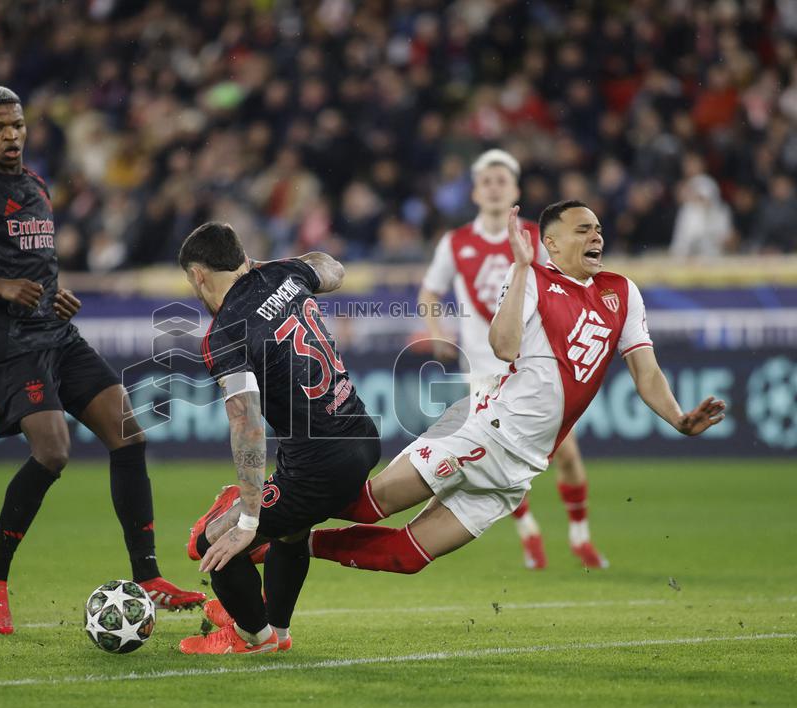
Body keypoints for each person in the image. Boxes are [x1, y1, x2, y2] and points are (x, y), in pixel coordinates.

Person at [309, 201, 725, 575]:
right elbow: (503, 346)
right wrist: (524, 268)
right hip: (483, 431)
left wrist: (678, 418)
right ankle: (265, 507)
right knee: (364, 507)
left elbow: (646, 373)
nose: (596, 235)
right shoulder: (532, 278)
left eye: (597, 228)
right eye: (582, 230)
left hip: (519, 470)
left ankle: (281, 545)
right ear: (552, 244)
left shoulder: (621, 292)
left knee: (406, 557)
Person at [0, 86, 204, 635]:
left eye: (18, 126)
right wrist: (1, 288)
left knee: (129, 434)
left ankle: (147, 577)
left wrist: (55, 292)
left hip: (56, 332)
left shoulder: (36, 186)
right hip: (11, 345)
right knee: (53, 453)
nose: (11, 136)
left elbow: (32, 262)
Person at [175, 222, 380, 654]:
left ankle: (254, 636)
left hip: (318, 467)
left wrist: (247, 518)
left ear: (197, 276)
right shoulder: (284, 273)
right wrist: (284, 267)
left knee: (212, 541)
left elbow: (247, 425)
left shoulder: (224, 333)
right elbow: (333, 269)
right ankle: (278, 630)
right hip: (361, 437)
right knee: (288, 532)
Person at [418, 149, 605, 569]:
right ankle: (529, 533)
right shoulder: (456, 242)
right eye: (487, 181)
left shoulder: (538, 238)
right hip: (483, 373)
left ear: (516, 190)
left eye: (502, 180)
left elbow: (566, 286)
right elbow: (430, 291)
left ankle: (580, 536)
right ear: (476, 191)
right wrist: (436, 331)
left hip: (534, 367)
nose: (495, 187)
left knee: (568, 454)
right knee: (496, 465)